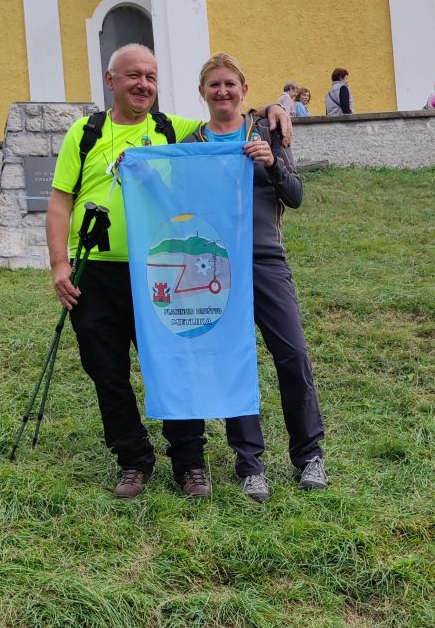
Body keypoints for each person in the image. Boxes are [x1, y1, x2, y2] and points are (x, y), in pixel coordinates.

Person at [46, 42, 292, 499]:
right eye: (133, 76)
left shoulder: (171, 129)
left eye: (151, 77)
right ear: (111, 80)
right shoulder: (85, 132)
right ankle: (133, 460)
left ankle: (190, 462)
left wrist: (274, 109)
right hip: (95, 271)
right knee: (106, 370)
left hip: (157, 269)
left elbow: (226, 114)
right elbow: (60, 201)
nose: (143, 85)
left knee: (175, 360)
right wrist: (60, 264)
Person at [189, 52, 327, 500]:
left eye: (230, 84)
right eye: (214, 85)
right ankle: (250, 464)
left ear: (243, 90)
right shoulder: (193, 142)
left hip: (267, 260)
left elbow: (296, 195)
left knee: (293, 354)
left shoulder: (267, 131)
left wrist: (271, 162)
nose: (223, 91)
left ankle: (309, 456)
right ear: (203, 92)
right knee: (235, 360)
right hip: (218, 266)